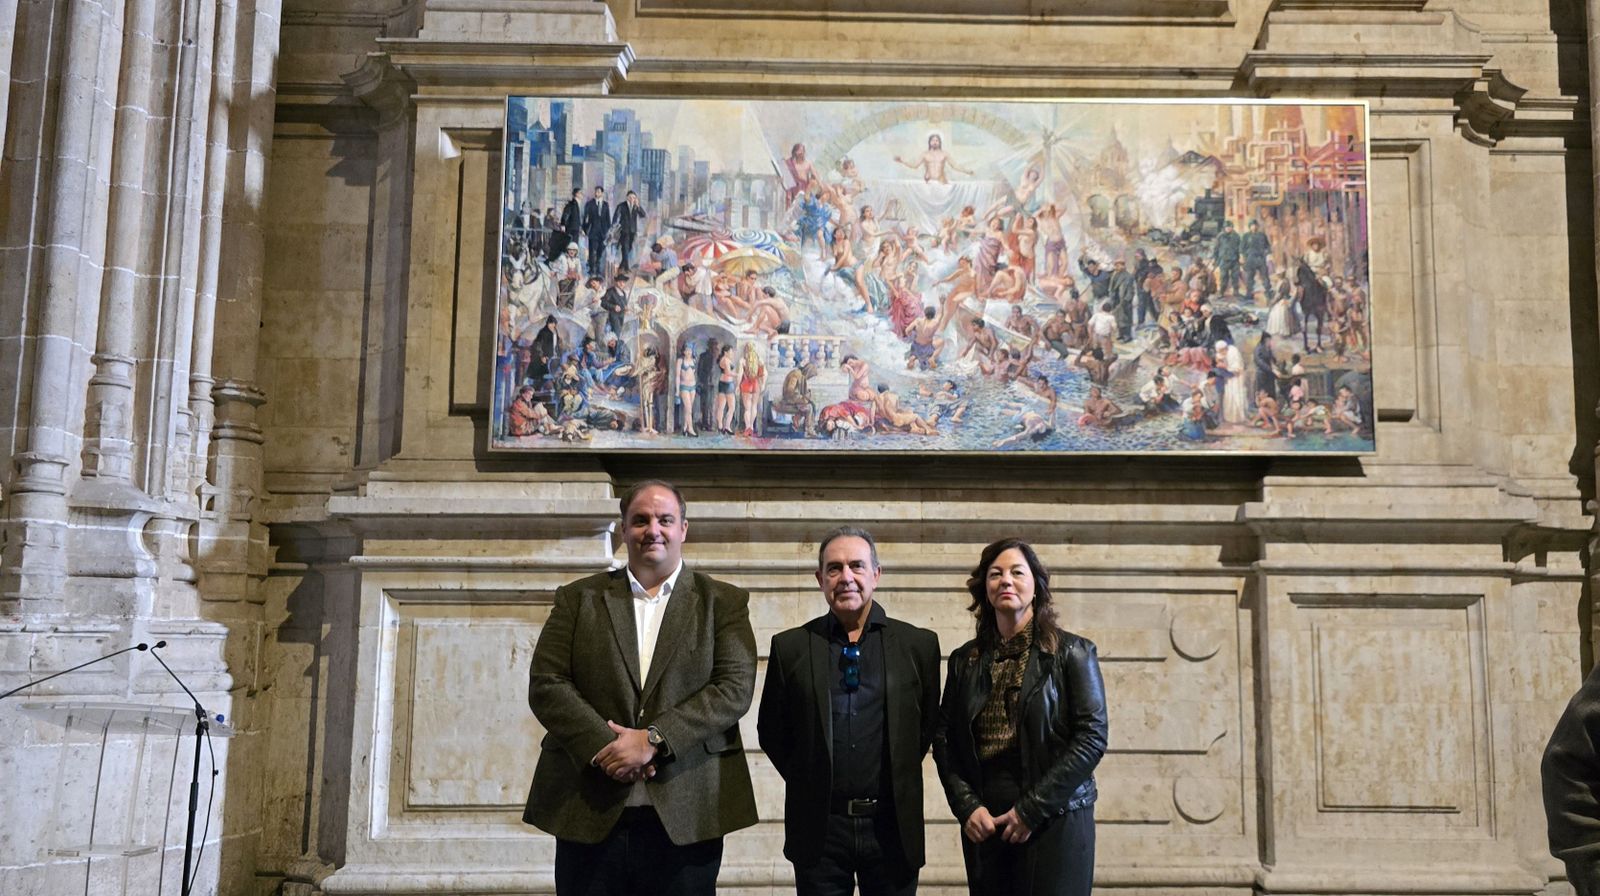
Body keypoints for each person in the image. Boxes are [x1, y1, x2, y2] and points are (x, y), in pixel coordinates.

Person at [525, 480, 759, 895]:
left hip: (688, 814)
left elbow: (733, 688)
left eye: (665, 520)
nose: (653, 530)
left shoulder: (722, 602)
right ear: (623, 529)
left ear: (683, 528)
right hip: (588, 807)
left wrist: (654, 740)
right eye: (641, 520)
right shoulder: (579, 599)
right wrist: (609, 748)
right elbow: (547, 683)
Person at [757, 527, 942, 896]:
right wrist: (811, 778)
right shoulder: (791, 647)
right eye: (834, 568)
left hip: (891, 827)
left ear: (876, 574)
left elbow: (924, 729)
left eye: (857, 566)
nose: (846, 578)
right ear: (819, 578)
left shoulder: (918, 645)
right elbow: (772, 732)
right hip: (820, 830)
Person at [932, 539, 1108, 896]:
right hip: (987, 821)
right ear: (984, 588)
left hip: (1055, 815)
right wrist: (966, 806)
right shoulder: (965, 660)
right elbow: (944, 739)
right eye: (995, 574)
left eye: (1016, 572)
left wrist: (1031, 810)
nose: (1006, 581)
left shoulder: (1072, 652)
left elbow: (1092, 738)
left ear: (1036, 586)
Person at [583, 185, 612, 278]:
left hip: (602, 233)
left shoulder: (606, 205)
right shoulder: (589, 204)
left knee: (600, 252)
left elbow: (608, 219)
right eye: (596, 191)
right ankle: (592, 270)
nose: (597, 193)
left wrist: (608, 231)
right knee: (592, 252)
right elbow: (585, 218)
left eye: (599, 192)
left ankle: (598, 270)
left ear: (602, 193)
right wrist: (585, 230)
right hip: (593, 232)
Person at [617, 190, 647, 271]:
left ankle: (621, 265)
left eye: (633, 198)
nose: (632, 199)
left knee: (629, 248)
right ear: (627, 197)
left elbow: (643, 215)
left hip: (633, 231)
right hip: (624, 230)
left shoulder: (635, 206)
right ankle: (626, 268)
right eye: (630, 197)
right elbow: (616, 216)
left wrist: (638, 206)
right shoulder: (621, 206)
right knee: (625, 248)